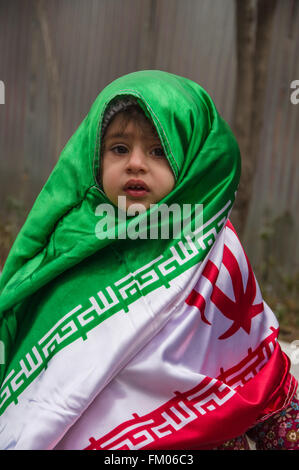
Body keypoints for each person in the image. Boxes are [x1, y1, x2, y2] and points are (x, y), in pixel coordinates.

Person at [0, 70, 297, 450]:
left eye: (159, 151)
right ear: (93, 155)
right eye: (119, 149)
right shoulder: (68, 250)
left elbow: (261, 373)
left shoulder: (215, 253)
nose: (136, 164)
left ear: (192, 161)